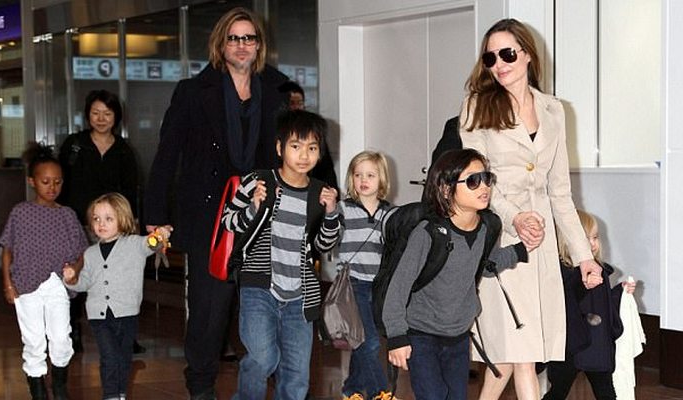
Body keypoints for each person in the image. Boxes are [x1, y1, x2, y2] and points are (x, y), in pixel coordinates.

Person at [143, 7, 289, 399]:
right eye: (233, 38)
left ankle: (276, 384)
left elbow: (293, 151)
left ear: (258, 45)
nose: (241, 45)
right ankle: (201, 384)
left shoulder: (276, 91)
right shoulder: (193, 92)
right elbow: (167, 156)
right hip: (211, 217)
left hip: (262, 215)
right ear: (220, 44)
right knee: (209, 311)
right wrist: (155, 214)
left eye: (249, 38)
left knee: (266, 305)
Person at [458, 18, 604, 399]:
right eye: (490, 58)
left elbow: (560, 193)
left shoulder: (554, 110)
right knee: (521, 355)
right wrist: (515, 217)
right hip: (500, 242)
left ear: (527, 55)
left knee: (511, 356)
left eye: (507, 54)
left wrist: (584, 257)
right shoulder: (476, 107)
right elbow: (478, 180)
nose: (499, 64)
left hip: (541, 249)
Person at [382, 148, 530, 400]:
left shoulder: (487, 227)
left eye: (487, 178)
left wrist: (520, 250)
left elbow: (486, 265)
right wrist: (397, 337)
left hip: (458, 336)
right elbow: (398, 286)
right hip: (422, 334)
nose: (484, 187)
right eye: (473, 181)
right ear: (445, 189)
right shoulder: (427, 233)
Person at [221, 110, 340, 399]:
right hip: (258, 286)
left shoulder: (320, 192)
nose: (304, 155)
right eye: (296, 146)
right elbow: (228, 221)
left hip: (301, 295)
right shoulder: (258, 182)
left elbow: (324, 245)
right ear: (279, 147)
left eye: (312, 148)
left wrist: (331, 213)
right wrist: (253, 207)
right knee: (263, 358)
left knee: (297, 376)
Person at [0, 142, 89, 400]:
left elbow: (83, 251)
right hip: (26, 285)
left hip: (58, 285)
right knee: (34, 339)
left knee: (61, 336)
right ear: (32, 181)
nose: (52, 187)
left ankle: (59, 386)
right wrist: (8, 284)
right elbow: (7, 249)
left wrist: (75, 268)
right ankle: (37, 389)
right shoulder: (21, 213)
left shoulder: (68, 215)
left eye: (58, 182)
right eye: (46, 181)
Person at [63, 193, 172, 400]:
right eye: (96, 219)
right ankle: (111, 395)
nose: (101, 224)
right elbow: (85, 282)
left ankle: (120, 393)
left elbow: (151, 243)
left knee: (123, 357)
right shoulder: (90, 253)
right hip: (99, 316)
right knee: (109, 356)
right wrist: (71, 279)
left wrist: (161, 234)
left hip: (127, 313)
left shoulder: (134, 244)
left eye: (108, 218)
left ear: (123, 219)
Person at [58, 89, 141, 354]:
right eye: (96, 113)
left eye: (107, 113)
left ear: (116, 116)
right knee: (77, 273)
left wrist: (132, 223)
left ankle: (124, 332)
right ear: (87, 115)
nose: (101, 118)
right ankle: (72, 329)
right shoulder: (75, 144)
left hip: (114, 227)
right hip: (78, 224)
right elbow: (61, 183)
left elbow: (131, 189)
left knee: (118, 277)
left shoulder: (124, 150)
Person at [543, 210, 635, 400]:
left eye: (595, 237)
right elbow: (563, 301)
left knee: (606, 391)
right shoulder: (562, 272)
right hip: (570, 347)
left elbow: (603, 304)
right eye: (586, 239)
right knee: (558, 391)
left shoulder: (599, 271)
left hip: (596, 344)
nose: (592, 244)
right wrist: (582, 284)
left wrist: (621, 292)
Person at [337, 151, 393, 400]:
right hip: (353, 284)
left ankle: (351, 390)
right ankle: (380, 393)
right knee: (369, 342)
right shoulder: (344, 209)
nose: (363, 180)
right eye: (358, 175)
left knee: (363, 339)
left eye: (370, 175)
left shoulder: (389, 213)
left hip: (378, 286)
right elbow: (328, 236)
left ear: (381, 179)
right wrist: (329, 213)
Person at [278, 80, 340, 193]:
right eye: (291, 102)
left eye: (299, 102)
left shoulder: (315, 133)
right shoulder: (273, 132)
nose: (296, 107)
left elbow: (327, 173)